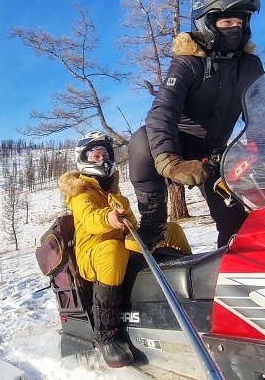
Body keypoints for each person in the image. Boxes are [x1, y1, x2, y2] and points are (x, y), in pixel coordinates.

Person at [128, 0, 264, 249]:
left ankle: (235, 259)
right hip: (180, 147)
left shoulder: (251, 65)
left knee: (236, 223)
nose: (234, 29)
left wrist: (262, 148)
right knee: (142, 141)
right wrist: (169, 161)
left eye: (240, 23)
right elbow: (161, 113)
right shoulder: (188, 63)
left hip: (217, 154)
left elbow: (261, 115)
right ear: (207, 23)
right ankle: (153, 223)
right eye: (227, 23)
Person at [58, 131, 191, 368]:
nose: (101, 160)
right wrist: (109, 217)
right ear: (85, 160)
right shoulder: (81, 193)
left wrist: (129, 218)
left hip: (118, 248)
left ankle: (192, 292)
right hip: (93, 256)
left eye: (105, 155)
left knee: (170, 230)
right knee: (111, 249)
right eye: (95, 155)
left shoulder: (113, 191)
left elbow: (131, 226)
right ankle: (106, 333)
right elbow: (90, 220)